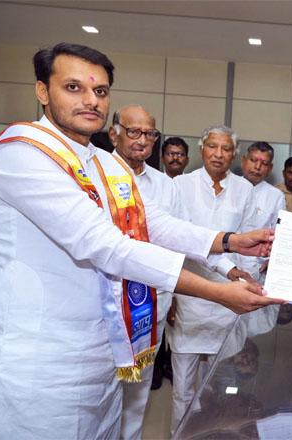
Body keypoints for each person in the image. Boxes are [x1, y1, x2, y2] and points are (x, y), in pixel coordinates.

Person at [0, 42, 282, 439]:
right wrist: (216, 292)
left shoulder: (105, 162)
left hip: (103, 353)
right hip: (40, 364)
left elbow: (152, 223)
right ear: (43, 92)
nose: (91, 100)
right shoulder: (22, 154)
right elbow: (105, 245)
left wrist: (229, 240)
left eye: (101, 91)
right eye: (74, 88)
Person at [170, 124, 260, 432]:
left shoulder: (245, 189)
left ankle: (215, 435)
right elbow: (181, 240)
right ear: (201, 149)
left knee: (220, 385)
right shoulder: (181, 185)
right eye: (212, 147)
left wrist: (252, 279)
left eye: (225, 149)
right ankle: (180, 435)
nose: (218, 154)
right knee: (183, 387)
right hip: (191, 294)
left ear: (235, 154)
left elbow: (248, 245)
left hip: (229, 300)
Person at [108, 104, 181, 439]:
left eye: (149, 134)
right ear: (115, 133)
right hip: (107, 304)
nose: (141, 140)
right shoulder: (96, 172)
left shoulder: (165, 186)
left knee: (138, 393)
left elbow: (179, 234)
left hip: (152, 302)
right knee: (104, 394)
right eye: (132, 131)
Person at [238, 141, 286, 279]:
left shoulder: (276, 196)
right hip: (227, 265)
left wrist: (273, 260)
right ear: (243, 161)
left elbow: (280, 233)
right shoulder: (229, 188)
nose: (257, 167)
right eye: (253, 160)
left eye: (264, 163)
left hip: (259, 267)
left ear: (270, 168)